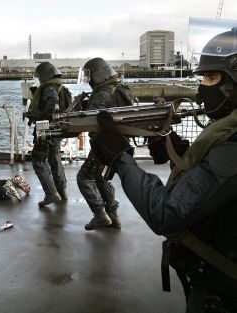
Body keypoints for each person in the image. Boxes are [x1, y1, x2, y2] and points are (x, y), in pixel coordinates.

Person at [90, 29, 237, 312]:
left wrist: (120, 158)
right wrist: (181, 154)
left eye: (212, 78)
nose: (202, 88)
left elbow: (167, 213)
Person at [76, 57, 134, 230]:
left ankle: (100, 215)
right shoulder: (121, 89)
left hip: (104, 144)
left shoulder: (102, 93)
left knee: (84, 178)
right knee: (101, 178)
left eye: (90, 76)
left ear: (98, 75)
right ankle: (114, 217)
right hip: (119, 145)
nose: (89, 80)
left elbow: (91, 120)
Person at [29, 62, 68, 207]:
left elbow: (53, 102)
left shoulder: (49, 87)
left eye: (40, 76)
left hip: (46, 129)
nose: (39, 79)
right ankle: (62, 191)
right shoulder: (60, 86)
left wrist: (41, 115)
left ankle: (51, 194)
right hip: (58, 128)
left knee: (38, 160)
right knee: (55, 158)